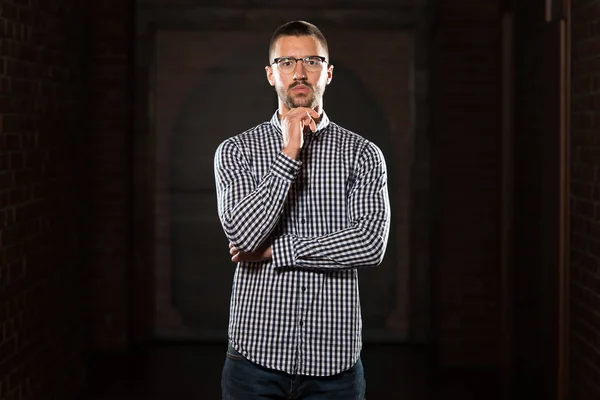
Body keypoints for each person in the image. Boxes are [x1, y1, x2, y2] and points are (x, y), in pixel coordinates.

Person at [214, 20, 391, 400]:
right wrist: (290, 151)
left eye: (311, 61)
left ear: (327, 72)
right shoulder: (236, 151)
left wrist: (276, 251)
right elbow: (243, 237)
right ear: (270, 74)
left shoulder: (363, 154)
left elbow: (370, 244)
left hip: (335, 366)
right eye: (287, 62)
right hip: (253, 361)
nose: (299, 73)